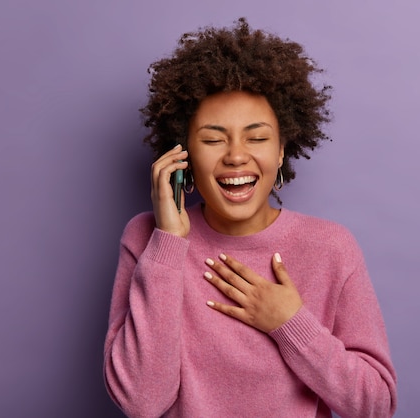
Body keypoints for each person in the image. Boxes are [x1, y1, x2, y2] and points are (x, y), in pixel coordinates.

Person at [103, 18, 397, 418]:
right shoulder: (146, 239)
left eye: (257, 138)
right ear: (182, 152)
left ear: (280, 151)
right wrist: (169, 244)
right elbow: (141, 401)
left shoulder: (331, 247)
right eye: (212, 139)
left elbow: (375, 405)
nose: (236, 155)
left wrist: (292, 324)